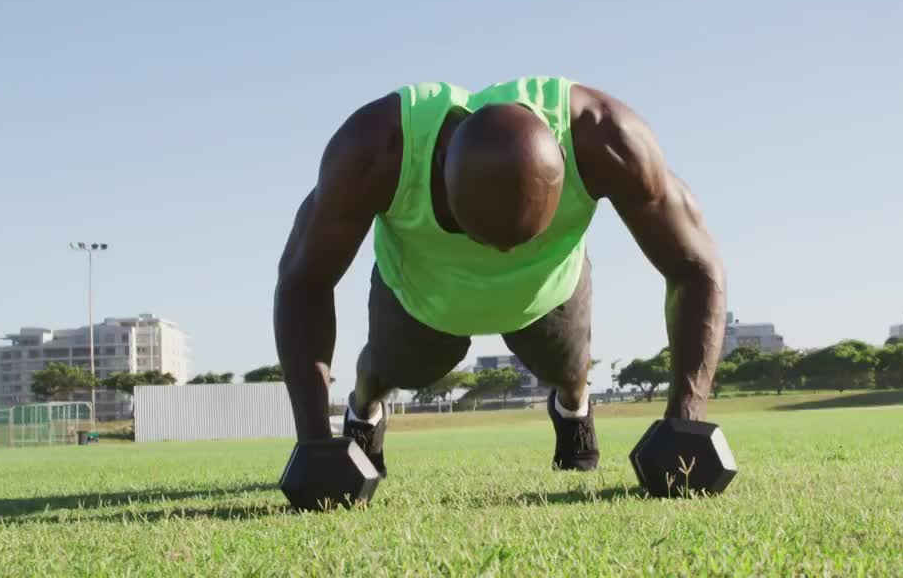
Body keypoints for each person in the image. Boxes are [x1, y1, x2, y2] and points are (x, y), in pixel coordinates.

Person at [273, 76, 725, 476]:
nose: (498, 256)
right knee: (384, 370)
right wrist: (314, 440)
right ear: (439, 166)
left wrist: (685, 419)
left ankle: (573, 411)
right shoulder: (377, 147)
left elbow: (696, 266)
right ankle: (365, 411)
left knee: (571, 370)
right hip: (423, 297)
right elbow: (304, 280)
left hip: (547, 292)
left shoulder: (605, 137)